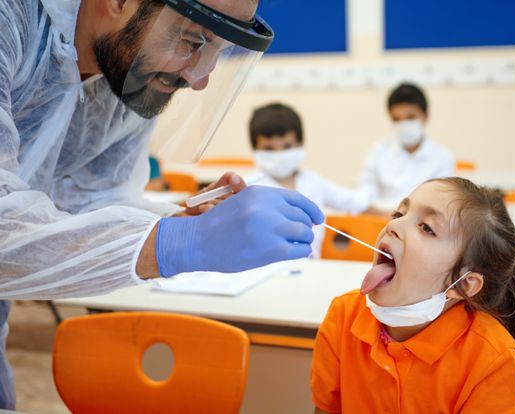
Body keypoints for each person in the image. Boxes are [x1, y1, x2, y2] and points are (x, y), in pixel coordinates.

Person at [0, 0, 323, 409]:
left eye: (217, 51)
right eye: (193, 40)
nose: (201, 77)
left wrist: (178, 220)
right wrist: (176, 242)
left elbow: (86, 200)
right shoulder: (11, 21)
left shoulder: (126, 67)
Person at [311, 177, 515, 413]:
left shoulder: (493, 360)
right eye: (398, 214)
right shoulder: (343, 314)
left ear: (464, 285)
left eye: (426, 228)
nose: (393, 226)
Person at [249, 103, 376, 257]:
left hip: (310, 269)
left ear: (301, 143)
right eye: (269, 149)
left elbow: (355, 202)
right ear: (255, 149)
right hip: (262, 273)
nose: (279, 155)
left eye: (287, 146)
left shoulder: (313, 181)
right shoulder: (249, 188)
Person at [358, 82, 455, 204]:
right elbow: (366, 192)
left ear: (426, 116)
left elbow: (439, 204)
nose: (403, 125)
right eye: (396, 119)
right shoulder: (378, 150)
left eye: (410, 117)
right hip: (380, 220)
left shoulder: (443, 157)